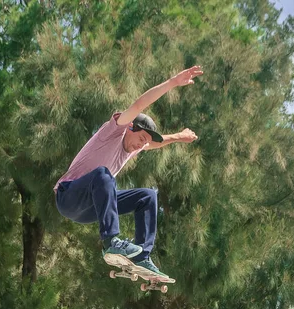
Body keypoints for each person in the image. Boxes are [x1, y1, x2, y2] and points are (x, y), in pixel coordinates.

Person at [54, 65, 203, 279]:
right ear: (131, 127)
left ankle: (142, 255)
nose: (141, 146)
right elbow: (139, 104)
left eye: (145, 144)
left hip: (89, 210)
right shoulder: (115, 130)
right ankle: (110, 242)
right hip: (68, 197)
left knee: (148, 196)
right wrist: (172, 83)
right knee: (103, 175)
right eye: (141, 138)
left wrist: (179, 136)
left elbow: (156, 144)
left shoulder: (132, 148)